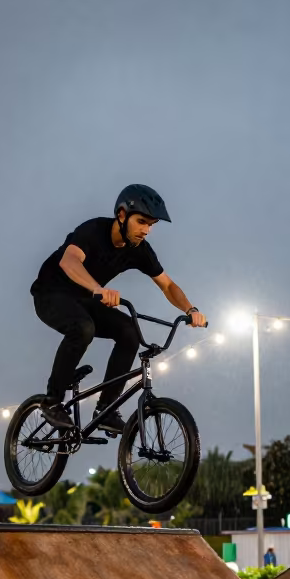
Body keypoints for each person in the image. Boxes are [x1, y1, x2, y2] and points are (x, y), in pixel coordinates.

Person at [31, 185, 207, 433]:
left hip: (86, 299)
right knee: (83, 328)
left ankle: (106, 410)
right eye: (141, 222)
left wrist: (191, 310)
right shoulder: (93, 231)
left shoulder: (139, 250)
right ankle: (52, 402)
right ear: (122, 215)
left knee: (129, 331)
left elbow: (167, 285)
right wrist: (97, 289)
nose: (146, 230)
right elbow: (69, 260)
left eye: (151, 224)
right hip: (51, 294)